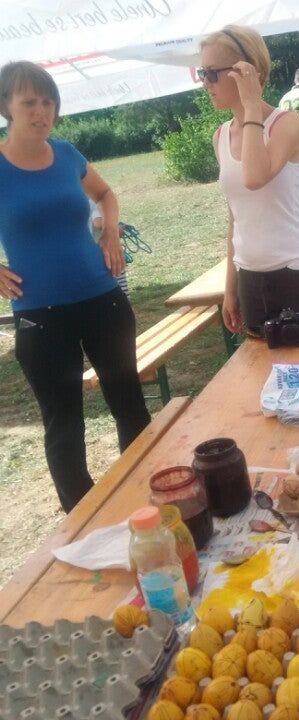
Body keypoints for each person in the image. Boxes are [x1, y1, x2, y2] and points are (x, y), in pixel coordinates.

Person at [0, 61, 151, 513]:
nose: (41, 111)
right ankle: (84, 522)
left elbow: (105, 194)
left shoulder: (66, 154)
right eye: (29, 102)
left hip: (102, 299)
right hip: (41, 315)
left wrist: (109, 230)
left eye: (48, 101)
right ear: (7, 106)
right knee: (64, 425)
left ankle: (149, 493)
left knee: (130, 405)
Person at [198, 25, 299, 338]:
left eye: (212, 73)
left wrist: (250, 105)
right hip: (249, 278)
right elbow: (236, 219)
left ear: (248, 71)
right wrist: (229, 289)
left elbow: (255, 177)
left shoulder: (287, 123)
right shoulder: (220, 136)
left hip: (295, 273)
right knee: (267, 384)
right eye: (201, 73)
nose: (206, 83)